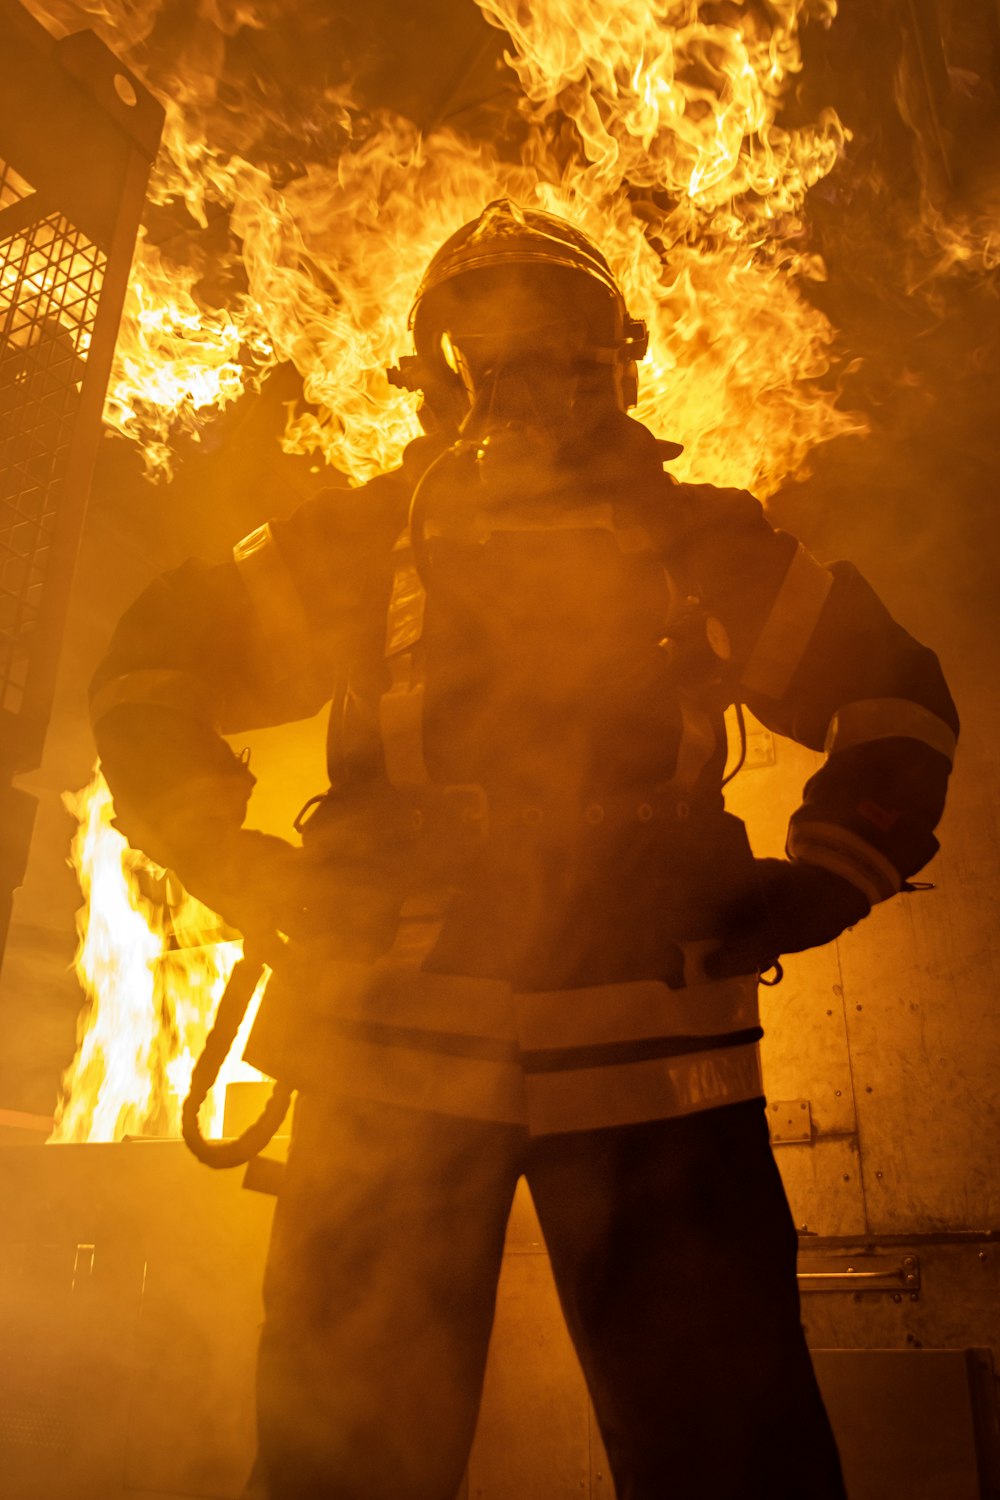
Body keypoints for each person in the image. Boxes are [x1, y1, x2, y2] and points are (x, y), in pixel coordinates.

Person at [91, 199, 958, 1500]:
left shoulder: (700, 544)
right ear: (435, 370)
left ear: (614, 359)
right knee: (347, 1465)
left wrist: (822, 877)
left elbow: (893, 699)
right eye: (491, 342)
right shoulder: (356, 543)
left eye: (556, 341)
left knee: (731, 1462)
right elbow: (151, 671)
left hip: (656, 1073)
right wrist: (238, 863)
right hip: (398, 1072)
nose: (525, 374)